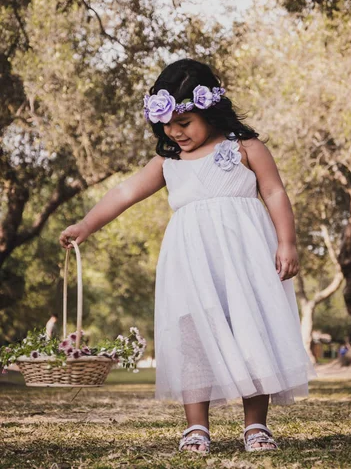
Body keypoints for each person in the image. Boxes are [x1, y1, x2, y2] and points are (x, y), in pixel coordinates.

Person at [59, 59, 317, 454]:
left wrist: (287, 242)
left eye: (185, 122)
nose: (175, 132)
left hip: (245, 260)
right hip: (191, 265)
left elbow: (275, 193)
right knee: (192, 338)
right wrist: (87, 225)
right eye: (167, 123)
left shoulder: (246, 149)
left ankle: (256, 426)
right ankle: (196, 427)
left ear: (211, 110)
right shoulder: (168, 163)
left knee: (252, 330)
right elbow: (124, 193)